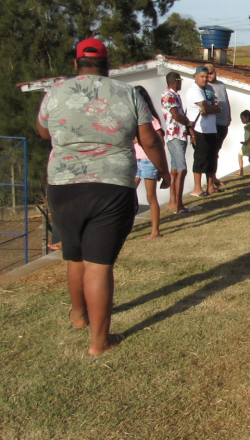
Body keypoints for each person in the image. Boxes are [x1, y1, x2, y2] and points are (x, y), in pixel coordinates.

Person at [37, 38, 171, 356]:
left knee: (73, 254)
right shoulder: (128, 94)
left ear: (76, 63)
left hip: (63, 185)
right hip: (112, 186)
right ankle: (99, 343)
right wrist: (163, 171)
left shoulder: (54, 93)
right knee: (98, 264)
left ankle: (79, 316)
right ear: (107, 64)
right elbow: (149, 140)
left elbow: (44, 132)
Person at [133, 86, 164, 240]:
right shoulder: (134, 119)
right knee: (127, 193)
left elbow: (160, 141)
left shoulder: (151, 120)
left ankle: (155, 231)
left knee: (151, 196)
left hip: (148, 161)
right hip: (136, 160)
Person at [185, 65, 221, 197]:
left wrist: (211, 109)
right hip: (199, 130)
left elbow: (217, 107)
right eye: (202, 76)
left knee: (212, 158)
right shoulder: (194, 90)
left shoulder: (209, 89)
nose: (205, 79)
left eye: (207, 76)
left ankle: (210, 186)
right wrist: (211, 108)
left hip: (211, 128)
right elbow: (205, 106)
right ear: (196, 76)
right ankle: (197, 188)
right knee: (201, 159)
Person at [160, 72, 192, 213]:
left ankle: (173, 201)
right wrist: (189, 123)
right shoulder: (169, 95)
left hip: (180, 135)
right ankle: (179, 206)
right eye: (180, 81)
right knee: (181, 169)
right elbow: (176, 115)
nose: (181, 84)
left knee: (174, 170)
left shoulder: (175, 95)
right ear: (175, 81)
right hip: (175, 136)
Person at [206, 65, 231, 191]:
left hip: (223, 124)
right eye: (207, 74)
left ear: (215, 72)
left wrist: (229, 116)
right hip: (214, 125)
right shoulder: (207, 88)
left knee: (217, 151)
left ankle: (214, 177)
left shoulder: (221, 85)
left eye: (211, 73)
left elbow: (226, 100)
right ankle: (211, 179)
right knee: (212, 152)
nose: (209, 76)